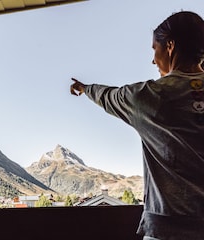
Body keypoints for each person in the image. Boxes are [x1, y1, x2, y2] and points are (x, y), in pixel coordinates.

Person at [70, 11, 204, 240]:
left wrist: (84, 88)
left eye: (155, 49)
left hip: (166, 229)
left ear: (170, 46)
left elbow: (110, 96)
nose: (153, 59)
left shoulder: (152, 97)